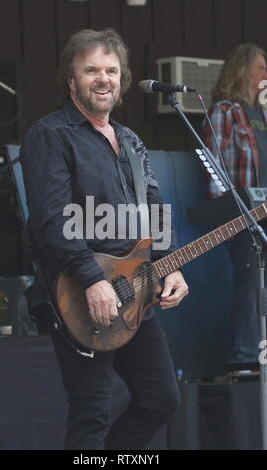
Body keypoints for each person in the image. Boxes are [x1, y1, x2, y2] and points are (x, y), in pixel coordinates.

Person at [20, 28, 188, 450]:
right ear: (72, 79)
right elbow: (51, 219)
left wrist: (173, 265)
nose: (103, 78)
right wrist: (92, 278)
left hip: (135, 291)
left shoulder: (130, 140)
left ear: (122, 79)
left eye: (111, 70)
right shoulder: (51, 135)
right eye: (91, 69)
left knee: (161, 398)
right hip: (79, 292)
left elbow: (154, 206)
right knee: (91, 408)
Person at [203, 43, 267, 363]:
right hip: (243, 215)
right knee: (251, 283)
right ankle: (245, 357)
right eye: (261, 67)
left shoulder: (264, 114)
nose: (266, 74)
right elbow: (215, 170)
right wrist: (231, 211)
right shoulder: (225, 112)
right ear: (242, 71)